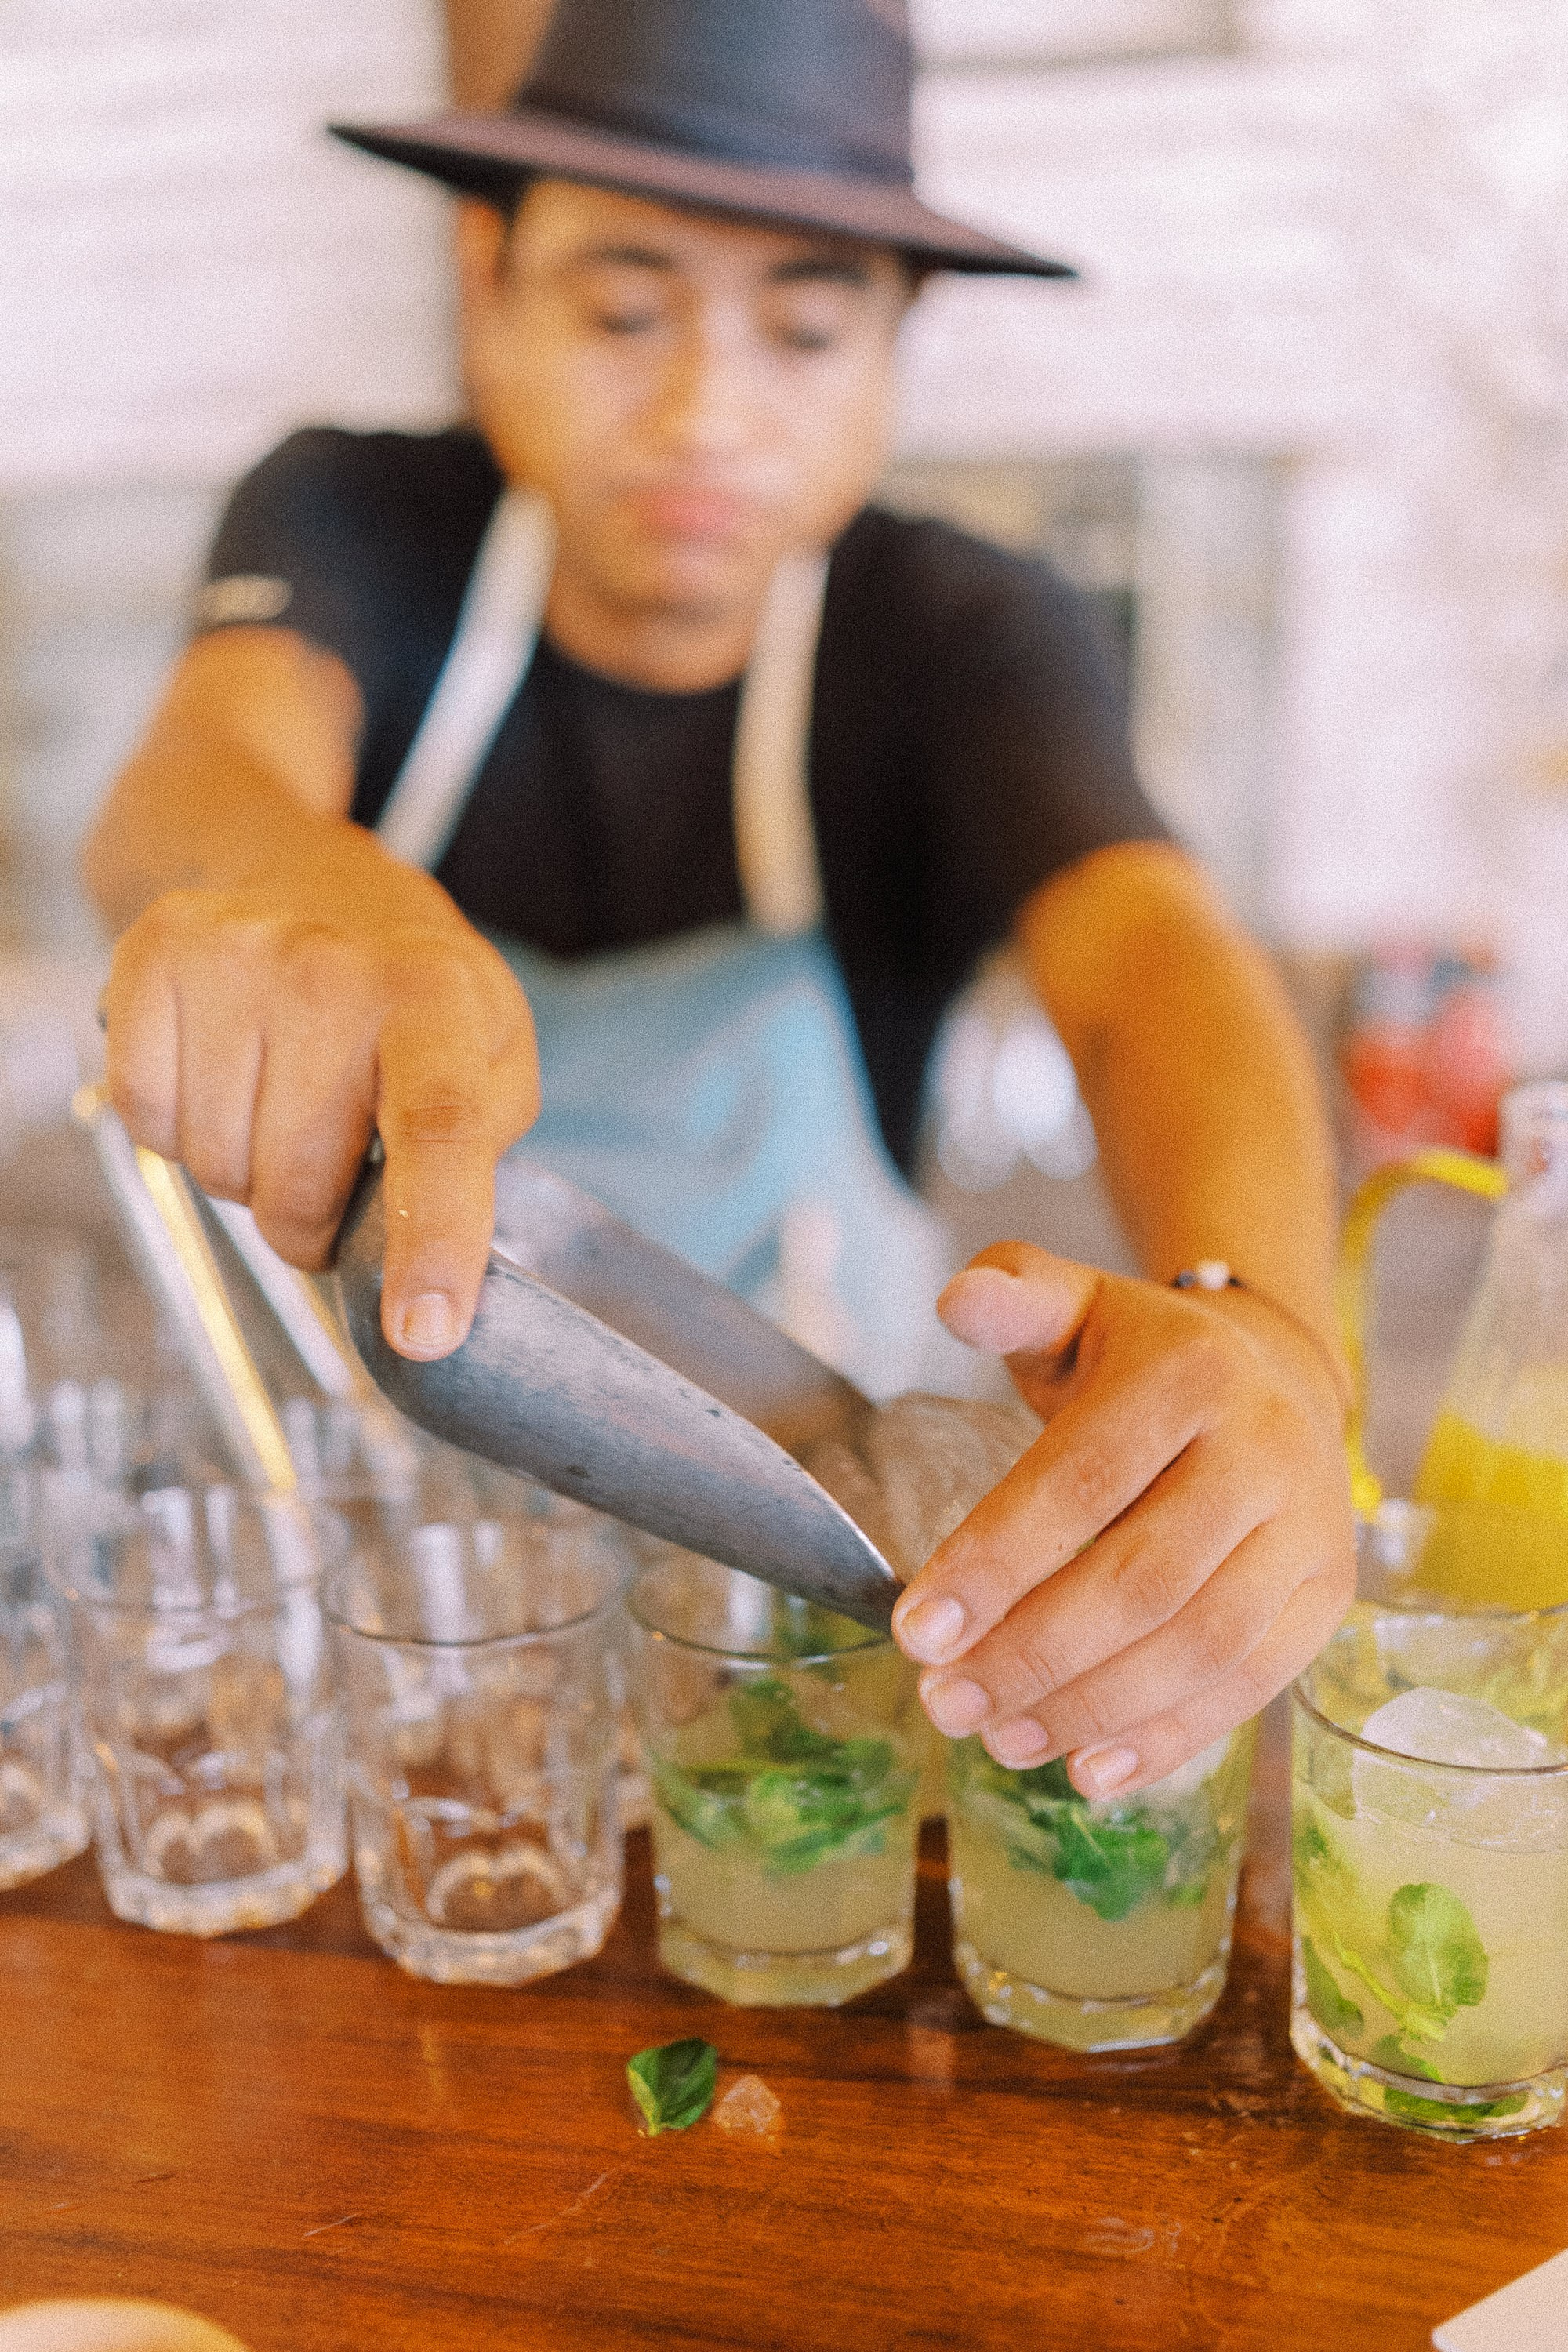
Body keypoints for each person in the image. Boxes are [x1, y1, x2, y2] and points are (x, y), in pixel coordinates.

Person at [84, 0, 1354, 1802]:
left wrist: (1271, 1334)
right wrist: (298, 879)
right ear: (487, 281)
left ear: (894, 350)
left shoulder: (961, 639)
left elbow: (1152, 960)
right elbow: (197, 777)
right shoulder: (354, 519)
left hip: (815, 1599)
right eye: (624, 312)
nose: (703, 413)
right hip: (404, 1589)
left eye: (806, 330)